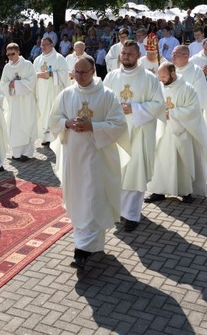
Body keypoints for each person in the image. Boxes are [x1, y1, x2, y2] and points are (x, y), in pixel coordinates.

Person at [49, 55, 127, 269]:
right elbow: (54, 119)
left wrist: (93, 126)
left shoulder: (107, 95)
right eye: (76, 72)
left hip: (97, 158)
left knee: (93, 199)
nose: (79, 76)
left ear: (93, 71)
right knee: (79, 200)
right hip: (74, 158)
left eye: (83, 72)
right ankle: (92, 245)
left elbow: (119, 125)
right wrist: (66, 123)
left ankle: (81, 251)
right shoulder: (66, 94)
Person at [104, 41, 164, 232]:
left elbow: (158, 104)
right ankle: (117, 209)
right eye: (124, 53)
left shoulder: (149, 78)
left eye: (130, 53)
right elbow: (102, 100)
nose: (126, 56)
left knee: (134, 173)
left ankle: (132, 214)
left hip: (139, 134)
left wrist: (135, 108)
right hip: (116, 133)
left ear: (139, 55)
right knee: (116, 172)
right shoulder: (111, 77)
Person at [145, 63, 207, 203]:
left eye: (164, 76)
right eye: (159, 77)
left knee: (183, 161)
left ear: (172, 73)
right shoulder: (159, 87)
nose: (161, 80)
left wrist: (172, 113)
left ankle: (185, 191)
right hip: (162, 132)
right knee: (161, 161)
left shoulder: (187, 89)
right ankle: (159, 191)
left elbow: (194, 110)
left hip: (181, 132)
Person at [0, 43, 39, 161]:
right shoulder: (7, 67)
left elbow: (32, 81)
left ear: (18, 52)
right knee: (15, 126)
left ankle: (27, 153)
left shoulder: (27, 64)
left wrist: (16, 84)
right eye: (8, 54)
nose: (10, 57)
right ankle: (16, 153)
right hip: (14, 101)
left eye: (13, 54)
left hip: (26, 101)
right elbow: (3, 84)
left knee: (26, 124)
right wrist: (10, 85)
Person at [172, 45, 207, 140]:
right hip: (173, 113)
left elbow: (199, 95)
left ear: (186, 56)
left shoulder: (196, 71)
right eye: (173, 54)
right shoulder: (172, 70)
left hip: (190, 114)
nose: (173, 57)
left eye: (176, 54)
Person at [33, 36, 70, 147]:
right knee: (43, 113)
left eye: (45, 44)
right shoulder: (37, 59)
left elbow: (65, 74)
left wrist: (52, 74)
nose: (43, 47)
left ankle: (54, 138)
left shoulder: (59, 58)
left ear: (51, 45)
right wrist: (38, 75)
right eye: (41, 45)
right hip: (41, 91)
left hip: (54, 91)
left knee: (53, 113)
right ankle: (45, 137)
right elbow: (32, 75)